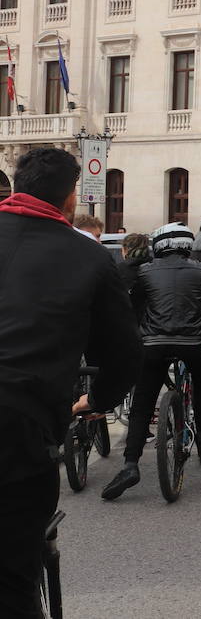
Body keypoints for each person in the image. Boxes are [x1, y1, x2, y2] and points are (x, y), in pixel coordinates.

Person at [0, 148, 141, 616]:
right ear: (69, 197)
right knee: (13, 574)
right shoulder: (87, 255)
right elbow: (122, 354)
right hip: (18, 423)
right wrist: (96, 400)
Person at [102, 222, 201, 500]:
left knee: (142, 402)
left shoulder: (145, 271)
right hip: (192, 342)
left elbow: (133, 304)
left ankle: (130, 464)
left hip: (153, 343)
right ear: (187, 245)